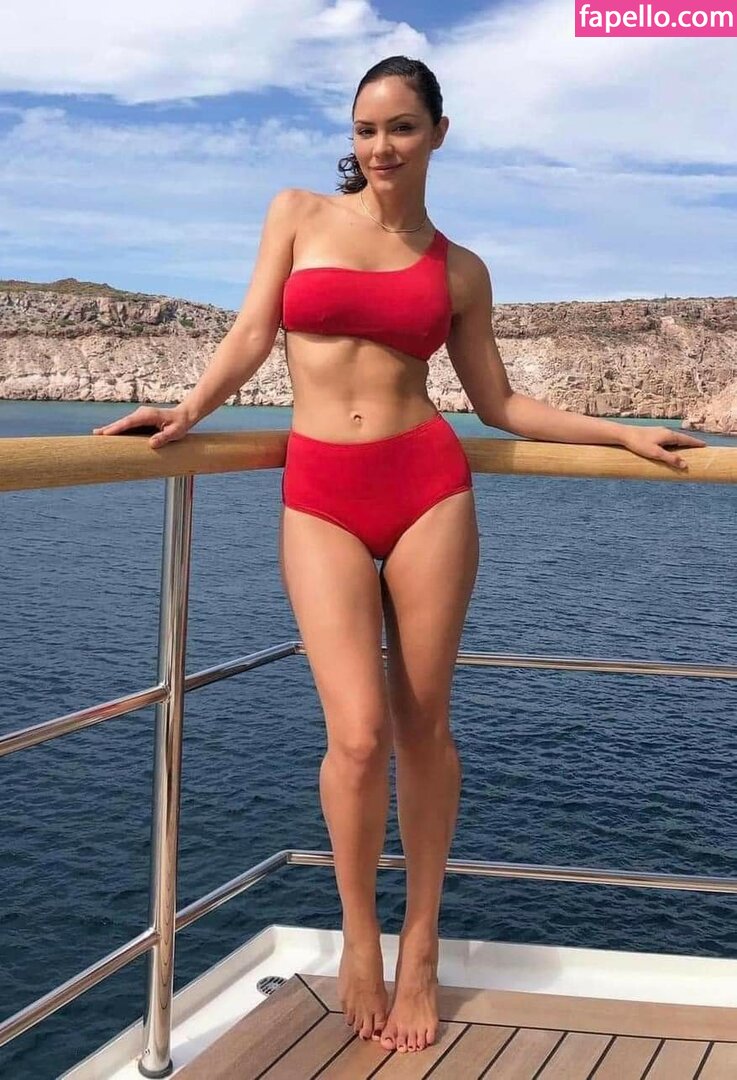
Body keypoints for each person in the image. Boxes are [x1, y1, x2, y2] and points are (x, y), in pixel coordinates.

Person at [92, 55, 705, 1055]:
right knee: (357, 736)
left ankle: (420, 941)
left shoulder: (459, 269)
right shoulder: (296, 214)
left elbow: (497, 403)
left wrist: (622, 432)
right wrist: (187, 410)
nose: (380, 147)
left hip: (426, 487)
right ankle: (359, 934)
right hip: (321, 494)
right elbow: (250, 333)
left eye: (401, 128)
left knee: (424, 729)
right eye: (366, 128)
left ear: (437, 134)